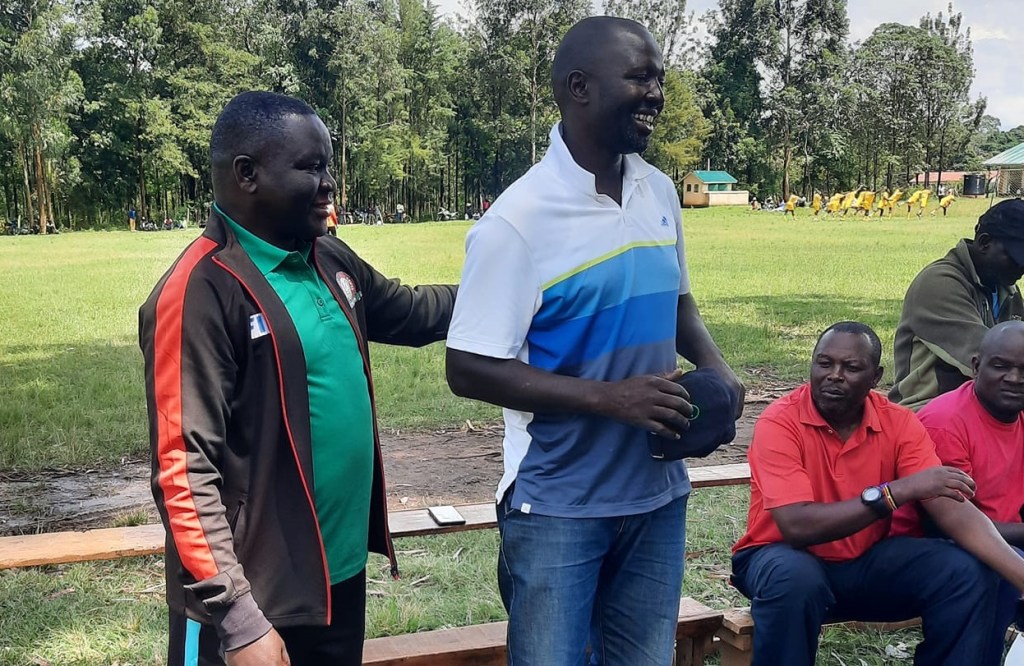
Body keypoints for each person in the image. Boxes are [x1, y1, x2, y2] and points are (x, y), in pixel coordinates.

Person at [445, 16, 743, 666]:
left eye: (660, 79)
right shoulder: (517, 222)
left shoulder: (659, 190)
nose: (657, 94)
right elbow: (467, 367)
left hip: (658, 491)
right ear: (578, 87)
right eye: (640, 77)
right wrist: (613, 400)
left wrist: (718, 368)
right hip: (558, 503)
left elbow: (678, 300)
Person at [140, 91, 457, 666]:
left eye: (328, 165)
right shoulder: (199, 293)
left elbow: (413, 311)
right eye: (311, 167)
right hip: (250, 603)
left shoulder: (329, 259)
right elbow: (182, 473)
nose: (330, 182)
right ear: (247, 174)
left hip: (336, 585)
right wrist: (238, 620)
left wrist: (516, 290)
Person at [731, 321, 1024, 666]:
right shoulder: (779, 422)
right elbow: (796, 526)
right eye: (824, 363)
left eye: (851, 367)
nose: (835, 375)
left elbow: (953, 511)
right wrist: (893, 493)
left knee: (967, 570)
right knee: (795, 578)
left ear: (875, 377)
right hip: (779, 554)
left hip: (865, 559)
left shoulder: (898, 423)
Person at [891, 321, 1024, 666]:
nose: (1014, 378)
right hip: (924, 547)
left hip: (1000, 536)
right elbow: (945, 524)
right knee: (992, 566)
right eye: (1001, 366)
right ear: (977, 366)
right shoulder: (946, 421)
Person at [890, 199, 1024, 409]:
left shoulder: (1007, 289)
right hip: (926, 411)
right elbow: (990, 359)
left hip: (985, 407)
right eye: (1016, 258)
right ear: (984, 242)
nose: (1021, 269)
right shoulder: (940, 283)